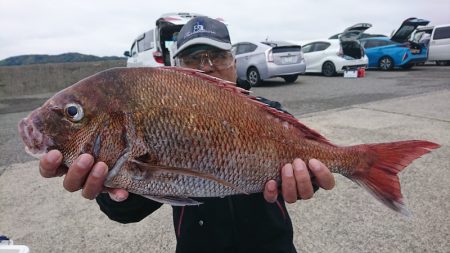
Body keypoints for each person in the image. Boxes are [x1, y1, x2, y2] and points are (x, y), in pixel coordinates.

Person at [39, 17, 335, 252]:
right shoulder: (161, 119)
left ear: (234, 62)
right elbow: (129, 208)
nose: (206, 66)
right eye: (193, 58)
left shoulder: (270, 114)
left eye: (217, 55)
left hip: (272, 246)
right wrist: (115, 190)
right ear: (177, 69)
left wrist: (309, 178)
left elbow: (309, 167)